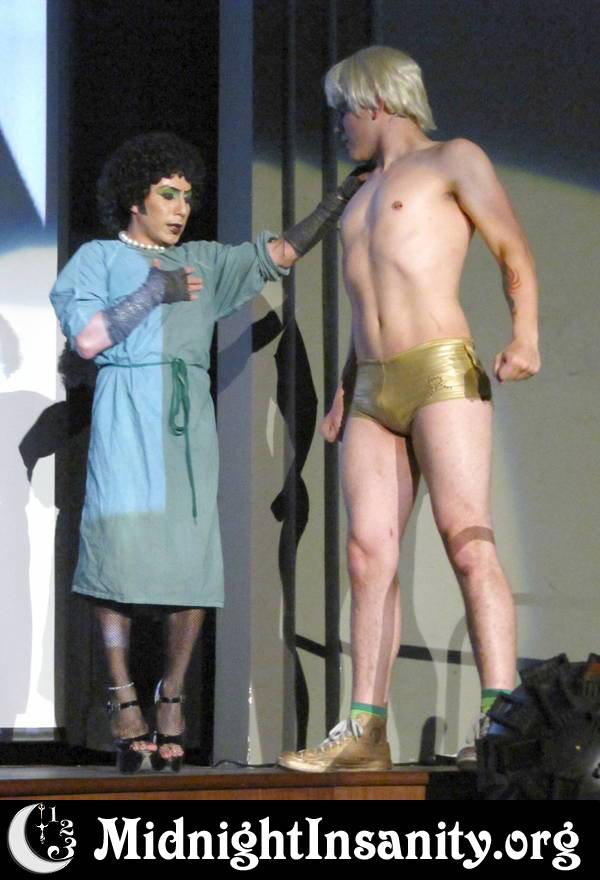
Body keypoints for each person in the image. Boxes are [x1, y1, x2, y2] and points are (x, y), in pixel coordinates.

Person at [50, 132, 366, 772]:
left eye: (188, 197)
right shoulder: (98, 259)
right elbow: (86, 340)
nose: (181, 208)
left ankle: (172, 694)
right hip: (126, 412)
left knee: (193, 559)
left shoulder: (202, 259)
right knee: (117, 551)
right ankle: (122, 698)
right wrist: (151, 293)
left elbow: (278, 254)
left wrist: (336, 201)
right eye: (168, 194)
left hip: (186, 419)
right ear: (135, 199)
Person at [278, 46, 540, 773]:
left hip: (440, 369)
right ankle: (365, 730)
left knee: (467, 539)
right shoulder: (359, 193)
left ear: (375, 102)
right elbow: (369, 297)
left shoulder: (453, 159)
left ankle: (501, 724)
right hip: (371, 382)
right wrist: (344, 385)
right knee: (368, 553)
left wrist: (525, 335)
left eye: (343, 112)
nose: (339, 126)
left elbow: (511, 247)